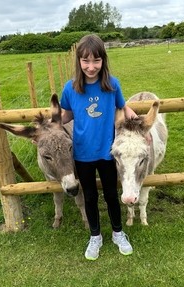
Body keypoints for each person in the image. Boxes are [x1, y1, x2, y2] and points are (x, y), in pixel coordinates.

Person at [61, 34, 137, 260]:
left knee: (112, 195)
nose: (91, 67)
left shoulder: (112, 85)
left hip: (107, 152)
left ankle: (118, 232)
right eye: (86, 61)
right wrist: (50, 125)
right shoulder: (70, 88)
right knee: (90, 196)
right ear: (79, 61)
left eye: (96, 61)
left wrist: (134, 115)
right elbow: (65, 115)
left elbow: (123, 107)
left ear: (103, 60)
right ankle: (95, 236)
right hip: (82, 153)